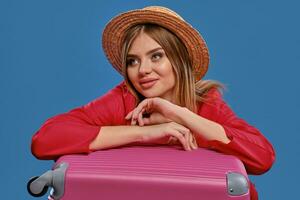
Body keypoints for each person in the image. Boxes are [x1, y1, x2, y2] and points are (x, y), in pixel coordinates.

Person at [31, 6, 275, 200]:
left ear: (179, 59)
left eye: (156, 56)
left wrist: (179, 114)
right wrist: (145, 133)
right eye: (133, 61)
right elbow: (46, 139)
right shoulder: (124, 99)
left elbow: (262, 157)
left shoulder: (205, 101)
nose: (143, 70)